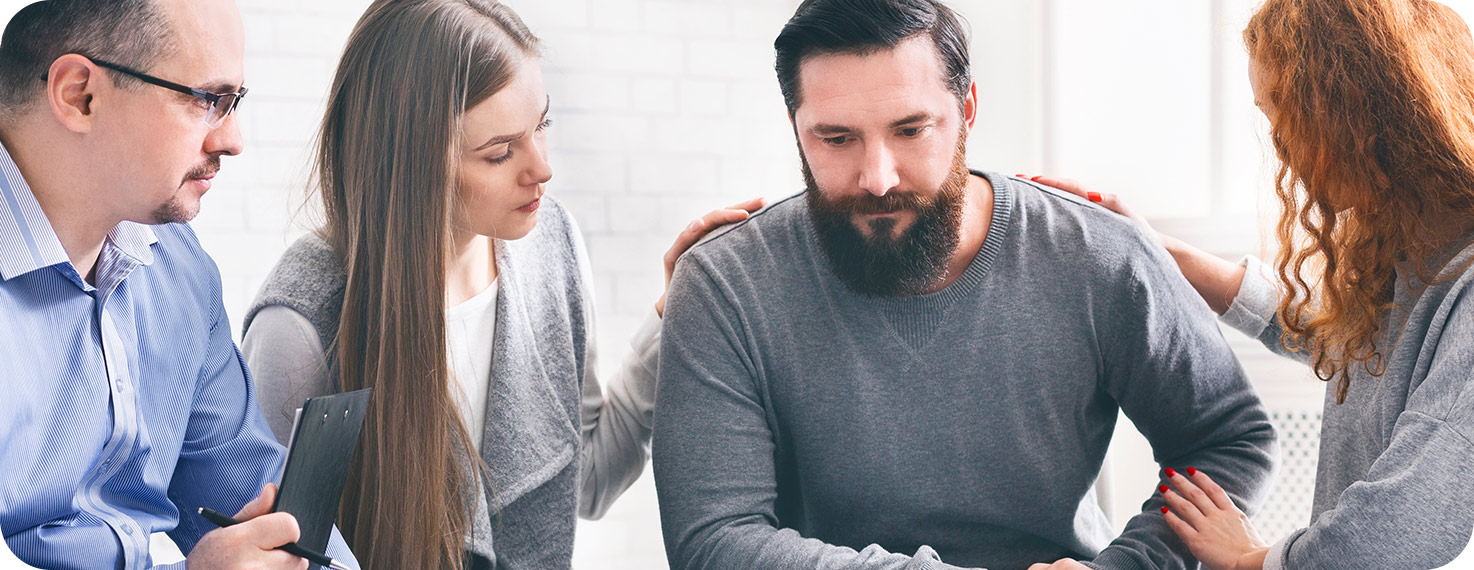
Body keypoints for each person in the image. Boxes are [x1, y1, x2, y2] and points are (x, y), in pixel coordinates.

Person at [650, 0, 1278, 569]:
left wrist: (1131, 565)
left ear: (968, 110)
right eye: (837, 139)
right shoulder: (723, 283)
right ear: (796, 128)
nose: (877, 177)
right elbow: (714, 540)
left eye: (910, 130)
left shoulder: (1099, 254)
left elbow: (1225, 438)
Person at [237, 1, 763, 568]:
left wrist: (674, 313)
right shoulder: (301, 326)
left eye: (543, 124)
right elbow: (278, 551)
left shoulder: (551, 247)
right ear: (412, 163)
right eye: (500, 152)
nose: (541, 168)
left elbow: (587, 479)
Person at [1033, 0, 1474, 568]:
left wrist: (1253, 560)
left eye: (1287, 117)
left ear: (1355, 110)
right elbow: (1345, 335)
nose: (1282, 148)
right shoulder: (1416, 250)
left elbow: (1407, 521)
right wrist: (1156, 249)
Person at [0, 0, 357, 569]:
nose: (233, 139)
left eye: (234, 103)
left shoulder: (179, 269)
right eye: (207, 100)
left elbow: (251, 495)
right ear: (78, 95)